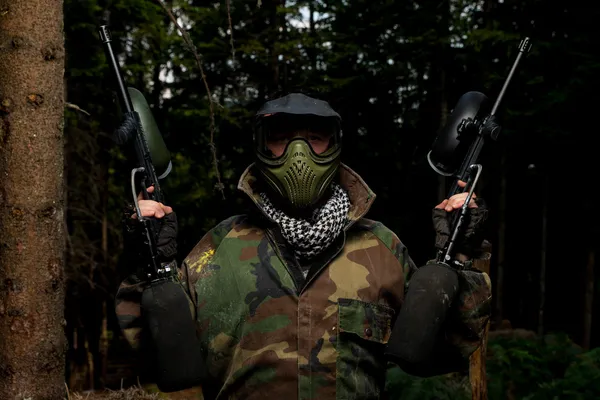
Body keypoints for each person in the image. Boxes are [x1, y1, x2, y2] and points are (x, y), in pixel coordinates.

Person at [116, 92, 492, 399]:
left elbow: (443, 351)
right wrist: (149, 262)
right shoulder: (218, 248)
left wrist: (460, 257)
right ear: (261, 146)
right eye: (281, 138)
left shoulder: (381, 249)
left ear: (335, 145)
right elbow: (153, 354)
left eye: (315, 138)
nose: (299, 155)